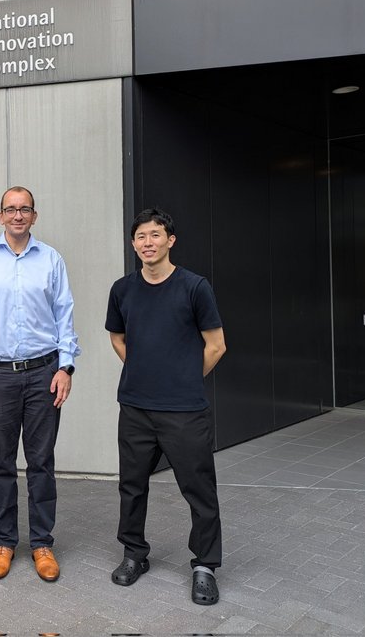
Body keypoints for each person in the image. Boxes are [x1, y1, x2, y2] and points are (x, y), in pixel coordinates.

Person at [105, 207, 227, 606]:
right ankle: (134, 555)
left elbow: (216, 345)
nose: (147, 243)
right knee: (132, 486)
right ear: (133, 243)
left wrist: (184, 378)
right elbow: (118, 339)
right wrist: (145, 371)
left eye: (155, 235)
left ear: (170, 240)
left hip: (184, 411)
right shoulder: (122, 290)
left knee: (198, 488)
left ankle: (205, 566)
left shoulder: (194, 287)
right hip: (136, 408)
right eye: (141, 236)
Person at [0, 186, 80, 582]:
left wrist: (66, 367)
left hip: (44, 373)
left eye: (24, 209)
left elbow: (65, 314)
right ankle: (5, 542)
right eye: (10, 209)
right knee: (1, 463)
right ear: (0, 216)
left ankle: (42, 543)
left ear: (34, 215)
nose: (17, 216)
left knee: (42, 461)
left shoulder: (51, 260)